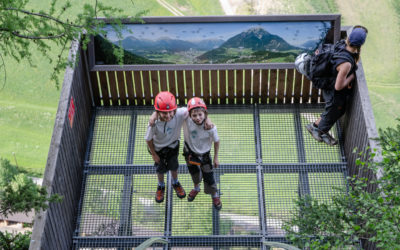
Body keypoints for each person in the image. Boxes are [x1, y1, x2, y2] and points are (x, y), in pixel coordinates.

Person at [146, 92, 214, 203]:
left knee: (174, 166)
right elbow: (148, 139)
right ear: (158, 112)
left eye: (170, 112)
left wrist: (207, 119)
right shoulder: (154, 123)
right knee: (160, 169)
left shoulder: (180, 113)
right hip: (158, 149)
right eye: (164, 113)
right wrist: (153, 154)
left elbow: (196, 110)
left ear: (175, 109)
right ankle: (161, 185)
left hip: (173, 145)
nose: (168, 116)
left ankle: (175, 182)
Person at [307, 25, 368, 146]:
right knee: (334, 111)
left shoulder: (341, 45)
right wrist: (351, 77)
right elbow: (338, 86)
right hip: (333, 91)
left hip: (327, 83)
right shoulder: (346, 64)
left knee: (335, 111)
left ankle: (314, 126)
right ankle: (319, 131)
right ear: (360, 44)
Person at [183, 97, 221, 210]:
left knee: (209, 176)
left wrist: (215, 157)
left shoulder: (210, 128)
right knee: (194, 173)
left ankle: (214, 194)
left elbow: (217, 141)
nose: (198, 118)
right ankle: (196, 188)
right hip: (190, 152)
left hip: (204, 154)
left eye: (200, 114)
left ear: (205, 113)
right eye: (194, 116)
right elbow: (171, 111)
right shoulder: (186, 118)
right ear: (189, 115)